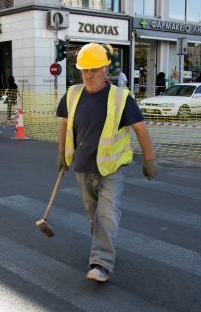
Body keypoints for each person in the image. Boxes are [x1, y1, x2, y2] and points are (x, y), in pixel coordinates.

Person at [56, 43, 157, 284]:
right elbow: (64, 124)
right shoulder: (72, 94)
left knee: (107, 214)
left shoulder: (121, 98)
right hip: (83, 167)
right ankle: (102, 248)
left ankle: (101, 262)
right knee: (94, 216)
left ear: (105, 70)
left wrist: (149, 159)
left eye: (94, 70)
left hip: (112, 169)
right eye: (84, 70)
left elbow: (140, 128)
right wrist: (61, 153)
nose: (89, 75)